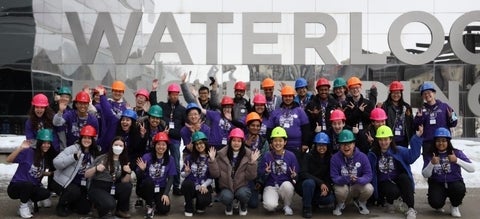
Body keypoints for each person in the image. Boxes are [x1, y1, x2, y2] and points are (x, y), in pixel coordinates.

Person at [368, 125, 423, 219]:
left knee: (405, 178)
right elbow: (368, 170)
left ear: (390, 139)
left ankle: (410, 208)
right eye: (381, 139)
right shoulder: (372, 154)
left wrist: (416, 138)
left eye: (386, 139)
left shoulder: (398, 150)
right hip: (384, 182)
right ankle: (390, 202)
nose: (383, 142)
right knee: (392, 190)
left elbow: (412, 156)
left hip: (398, 178)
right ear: (377, 140)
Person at [422, 127, 475, 218]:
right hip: (437, 183)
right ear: (435, 142)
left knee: (458, 189)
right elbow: (425, 174)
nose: (441, 143)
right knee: (435, 203)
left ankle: (454, 206)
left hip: (454, 181)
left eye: (444, 141)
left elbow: (472, 168)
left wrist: (457, 160)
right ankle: (439, 203)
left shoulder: (456, 153)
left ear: (448, 141)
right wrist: (432, 163)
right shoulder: (431, 154)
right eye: (438, 141)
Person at [208, 128, 260, 216]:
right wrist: (213, 161)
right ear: (230, 141)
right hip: (226, 187)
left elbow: (251, 177)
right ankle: (229, 205)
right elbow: (215, 174)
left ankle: (243, 205)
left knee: (244, 194)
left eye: (239, 141)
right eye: (234, 140)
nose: (236, 143)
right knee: (225, 196)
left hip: (241, 186)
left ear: (242, 142)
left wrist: (252, 163)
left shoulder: (248, 155)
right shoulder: (221, 155)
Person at [51, 125, 100, 217]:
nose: (86, 140)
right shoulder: (73, 149)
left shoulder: (94, 153)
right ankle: (61, 205)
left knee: (84, 209)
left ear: (93, 140)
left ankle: (71, 204)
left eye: (89, 138)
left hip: (82, 184)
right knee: (74, 191)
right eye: (84, 137)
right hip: (64, 182)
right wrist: (73, 157)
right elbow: (56, 163)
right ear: (81, 138)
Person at [7, 129, 56, 219]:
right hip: (15, 187)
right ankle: (23, 207)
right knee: (28, 184)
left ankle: (29, 200)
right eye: (44, 143)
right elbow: (9, 160)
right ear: (39, 143)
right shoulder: (28, 152)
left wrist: (50, 174)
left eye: (48, 143)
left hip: (31, 187)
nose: (46, 145)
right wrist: (20, 148)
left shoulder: (44, 157)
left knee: (45, 193)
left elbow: (37, 171)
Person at [150, 81, 187, 196]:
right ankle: (158, 183)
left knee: (175, 162)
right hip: (162, 138)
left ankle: (176, 186)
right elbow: (154, 105)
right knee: (159, 161)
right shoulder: (163, 106)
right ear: (168, 95)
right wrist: (154, 90)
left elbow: (186, 124)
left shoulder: (182, 109)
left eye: (176, 94)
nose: (174, 96)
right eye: (172, 94)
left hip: (175, 139)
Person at [86, 137, 133, 218]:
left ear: (124, 148)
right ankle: (97, 208)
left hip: (113, 186)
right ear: (112, 146)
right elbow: (86, 174)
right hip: (98, 187)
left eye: (121, 145)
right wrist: (96, 168)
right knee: (110, 204)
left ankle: (121, 210)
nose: (118, 147)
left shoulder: (123, 160)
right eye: (116, 145)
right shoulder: (102, 157)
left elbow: (124, 181)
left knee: (128, 186)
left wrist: (128, 172)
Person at [330, 129, 373, 216]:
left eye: (349, 143)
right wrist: (346, 178)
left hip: (356, 186)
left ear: (354, 144)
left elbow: (368, 175)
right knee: (340, 190)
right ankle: (340, 204)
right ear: (339, 146)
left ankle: (361, 202)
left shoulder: (362, 156)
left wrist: (359, 179)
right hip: (343, 187)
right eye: (343, 144)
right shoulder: (334, 158)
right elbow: (334, 177)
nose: (346, 147)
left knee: (369, 188)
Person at [259, 127, 300, 216]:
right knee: (270, 207)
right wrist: (266, 172)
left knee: (288, 186)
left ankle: (287, 205)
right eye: (275, 141)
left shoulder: (291, 155)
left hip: (284, 186)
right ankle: (275, 201)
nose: (278, 143)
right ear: (272, 143)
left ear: (285, 142)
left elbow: (296, 173)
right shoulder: (267, 155)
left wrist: (294, 176)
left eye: (280, 140)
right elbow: (260, 175)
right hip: (271, 186)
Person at [135, 132, 177, 218]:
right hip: (146, 188)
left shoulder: (170, 159)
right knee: (149, 182)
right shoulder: (147, 157)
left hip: (160, 188)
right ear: (154, 145)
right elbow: (138, 177)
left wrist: (165, 194)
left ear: (167, 146)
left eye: (163, 144)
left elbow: (171, 178)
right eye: (158, 144)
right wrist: (142, 170)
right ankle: (149, 205)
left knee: (164, 209)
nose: (161, 147)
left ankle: (155, 202)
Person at [296, 132, 335, 218]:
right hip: (305, 185)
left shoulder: (330, 158)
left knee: (330, 199)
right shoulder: (308, 156)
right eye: (319, 145)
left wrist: (327, 188)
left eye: (324, 145)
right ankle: (307, 208)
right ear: (315, 145)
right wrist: (320, 183)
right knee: (309, 183)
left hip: (319, 188)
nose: (322, 147)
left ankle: (310, 201)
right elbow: (303, 173)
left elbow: (329, 176)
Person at [267, 85, 310, 158]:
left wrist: (305, 143)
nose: (288, 98)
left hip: (297, 147)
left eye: (290, 96)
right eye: (285, 96)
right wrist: (270, 142)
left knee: (295, 168)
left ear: (293, 97)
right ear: (282, 97)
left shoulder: (300, 111)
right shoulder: (276, 112)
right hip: (279, 146)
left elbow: (306, 128)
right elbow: (269, 129)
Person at [414, 82, 458, 154]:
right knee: (428, 164)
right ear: (422, 96)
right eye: (424, 94)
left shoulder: (445, 106)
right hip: (428, 143)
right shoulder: (421, 110)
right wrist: (418, 118)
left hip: (443, 142)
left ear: (434, 93)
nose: (427, 95)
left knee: (444, 163)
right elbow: (416, 127)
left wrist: (451, 118)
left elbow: (454, 123)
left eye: (429, 92)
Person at [181, 131, 213, 216]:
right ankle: (188, 205)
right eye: (196, 144)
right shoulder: (189, 157)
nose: (199, 146)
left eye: (201, 143)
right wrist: (187, 172)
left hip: (203, 186)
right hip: (191, 185)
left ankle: (200, 205)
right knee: (186, 184)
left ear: (205, 143)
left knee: (202, 205)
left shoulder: (210, 158)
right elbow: (182, 174)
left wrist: (204, 185)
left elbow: (211, 177)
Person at [244, 112, 270, 208]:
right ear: (248, 126)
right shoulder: (240, 139)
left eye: (258, 126)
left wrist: (260, 181)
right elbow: (237, 160)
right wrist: (246, 145)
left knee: (253, 205)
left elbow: (265, 162)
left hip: (257, 176)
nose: (255, 128)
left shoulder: (264, 142)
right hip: (243, 175)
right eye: (253, 125)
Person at [381, 81, 414, 147]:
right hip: (390, 140)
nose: (396, 95)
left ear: (401, 94)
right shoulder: (385, 106)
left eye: (398, 93)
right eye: (393, 93)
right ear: (390, 93)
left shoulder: (407, 107)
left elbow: (410, 123)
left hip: (404, 140)